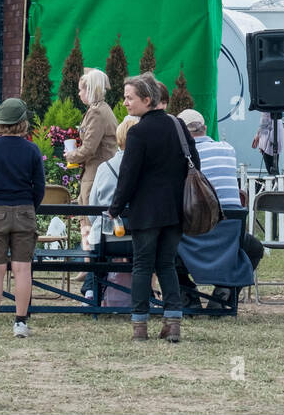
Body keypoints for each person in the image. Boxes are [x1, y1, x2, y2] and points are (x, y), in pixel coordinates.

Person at [108, 73, 201, 343]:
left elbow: (128, 176)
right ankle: (173, 323)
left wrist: (115, 208)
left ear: (147, 100)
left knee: (142, 266)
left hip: (146, 211)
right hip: (175, 208)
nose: (125, 102)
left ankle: (139, 326)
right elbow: (194, 163)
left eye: (129, 98)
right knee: (167, 265)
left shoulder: (137, 133)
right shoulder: (178, 126)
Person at [0, 98, 46, 340]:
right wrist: (29, 208)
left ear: (0, 123)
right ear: (23, 122)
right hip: (25, 209)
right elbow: (40, 188)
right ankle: (20, 324)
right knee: (23, 269)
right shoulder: (32, 150)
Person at [178, 108, 264, 303]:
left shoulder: (182, 156)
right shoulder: (227, 149)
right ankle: (225, 292)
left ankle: (187, 294)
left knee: (163, 247)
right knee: (255, 248)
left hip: (195, 240)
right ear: (205, 128)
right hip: (229, 240)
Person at [81, 114, 140, 302]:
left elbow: (93, 206)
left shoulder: (105, 168)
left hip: (108, 239)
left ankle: (91, 289)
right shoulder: (149, 168)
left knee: (98, 244)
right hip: (141, 240)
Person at [64, 68, 118, 205]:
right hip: (98, 172)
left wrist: (71, 155)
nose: (78, 93)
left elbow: (89, 148)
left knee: (89, 223)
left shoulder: (96, 112)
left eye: (80, 90)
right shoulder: (101, 109)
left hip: (95, 174)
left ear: (89, 90)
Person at [252, 110, 284, 176]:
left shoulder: (266, 106)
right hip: (276, 133)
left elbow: (264, 121)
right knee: (274, 166)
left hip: (268, 135)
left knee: (270, 168)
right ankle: (278, 182)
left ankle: (277, 182)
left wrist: (258, 136)